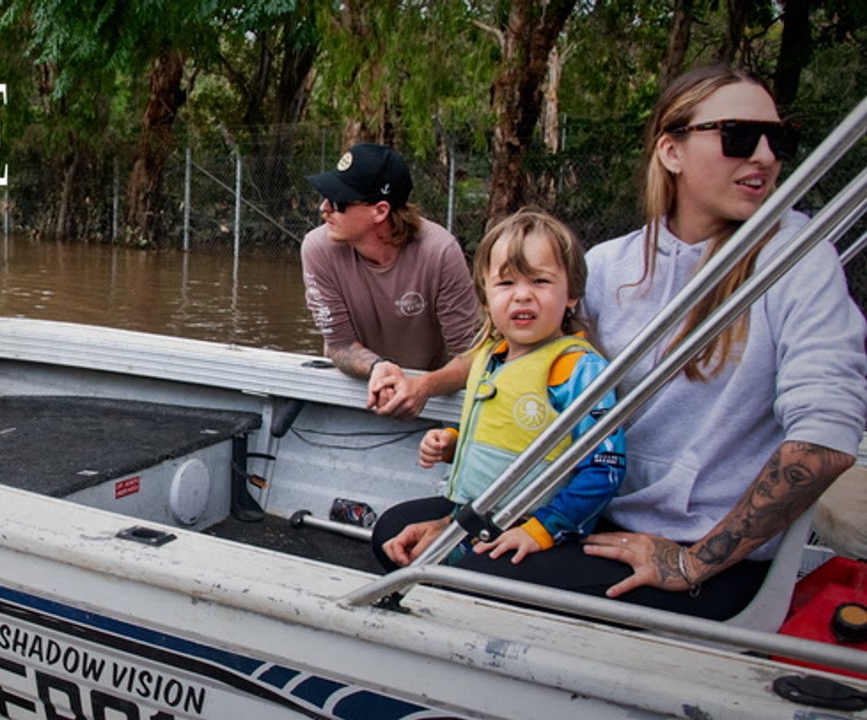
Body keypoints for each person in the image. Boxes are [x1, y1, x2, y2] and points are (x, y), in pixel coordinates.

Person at [379, 64, 867, 621]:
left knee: (438, 565)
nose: (763, 156)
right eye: (737, 136)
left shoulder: (800, 261)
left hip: (699, 554)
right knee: (401, 534)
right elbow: (519, 352)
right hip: (595, 513)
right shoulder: (611, 263)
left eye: (777, 139)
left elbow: (825, 443)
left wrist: (694, 563)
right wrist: (431, 398)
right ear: (672, 151)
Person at [372, 210, 625, 569]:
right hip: (478, 517)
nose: (522, 296)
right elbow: (507, 432)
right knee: (392, 540)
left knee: (454, 570)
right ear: (486, 299)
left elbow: (606, 468)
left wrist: (540, 530)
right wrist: (453, 442)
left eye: (540, 281)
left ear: (572, 294)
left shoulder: (577, 369)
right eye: (506, 284)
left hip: (534, 526)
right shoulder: (491, 357)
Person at [301, 143, 480, 419]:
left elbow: (474, 354)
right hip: (353, 392)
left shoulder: (440, 252)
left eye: (338, 202)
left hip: (425, 399)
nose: (323, 208)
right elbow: (339, 344)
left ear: (380, 211)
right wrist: (378, 367)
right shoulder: (317, 248)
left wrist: (423, 386)